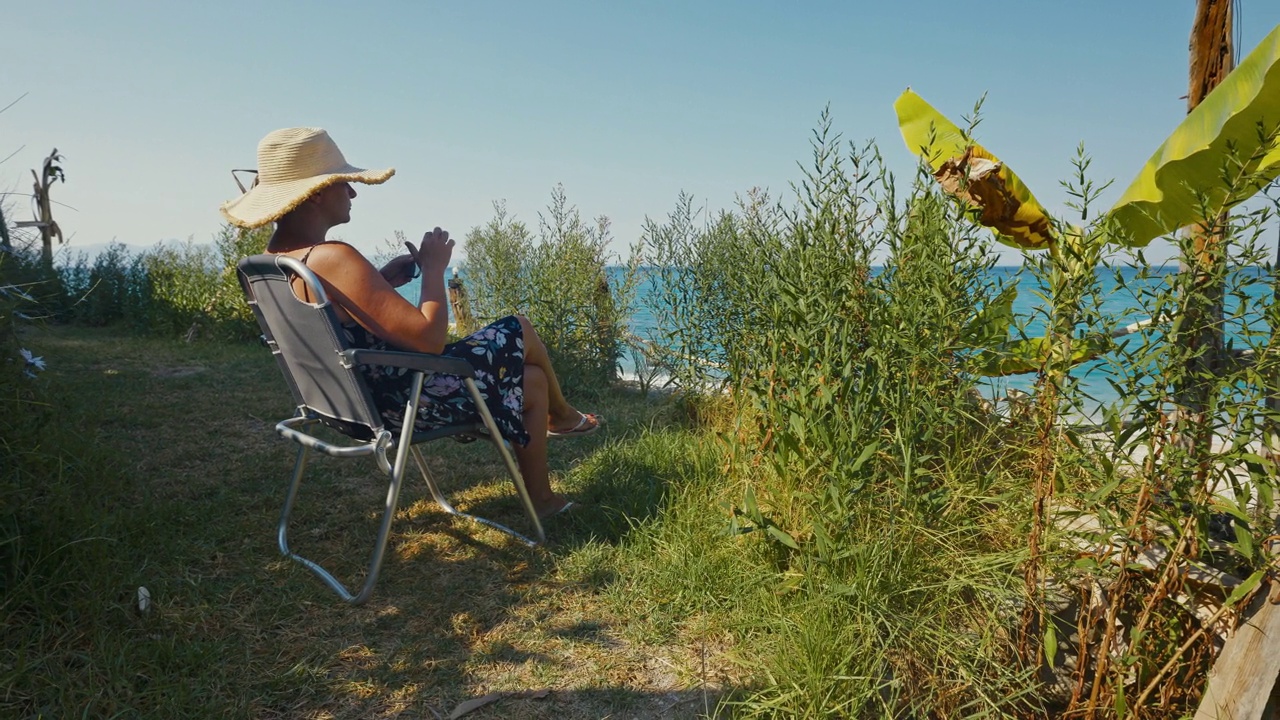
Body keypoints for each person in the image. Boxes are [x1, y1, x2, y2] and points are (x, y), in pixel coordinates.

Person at [221, 127, 600, 519]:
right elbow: (429, 341)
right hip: (400, 403)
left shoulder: (274, 262)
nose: (352, 192)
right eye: (344, 184)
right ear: (316, 193)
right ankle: (562, 418)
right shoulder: (331, 257)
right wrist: (435, 269)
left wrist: (381, 282)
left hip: (342, 403)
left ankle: (543, 492)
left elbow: (326, 321)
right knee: (519, 327)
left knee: (532, 381)